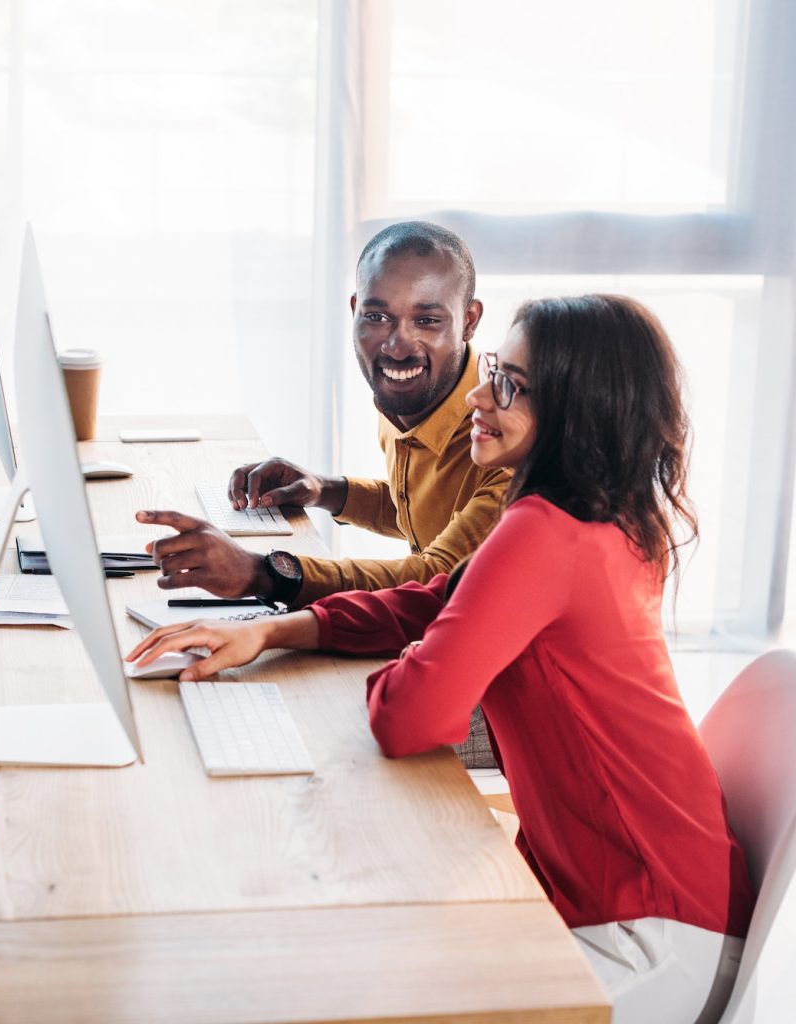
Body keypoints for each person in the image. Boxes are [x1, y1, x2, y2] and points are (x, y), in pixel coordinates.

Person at [127, 293, 756, 1024]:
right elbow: (434, 600)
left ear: (580, 410)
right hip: (656, 895)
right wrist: (274, 631)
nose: (481, 397)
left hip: (649, 936)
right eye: (497, 370)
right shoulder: (603, 517)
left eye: (513, 386)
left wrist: (423, 660)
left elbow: (410, 716)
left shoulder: (544, 534)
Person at [136, 221, 510, 610]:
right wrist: (325, 489)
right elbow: (426, 510)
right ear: (355, 310)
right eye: (377, 317)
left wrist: (263, 573)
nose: (398, 347)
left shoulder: (506, 438)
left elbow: (435, 579)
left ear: (469, 321)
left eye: (427, 321)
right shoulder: (417, 393)